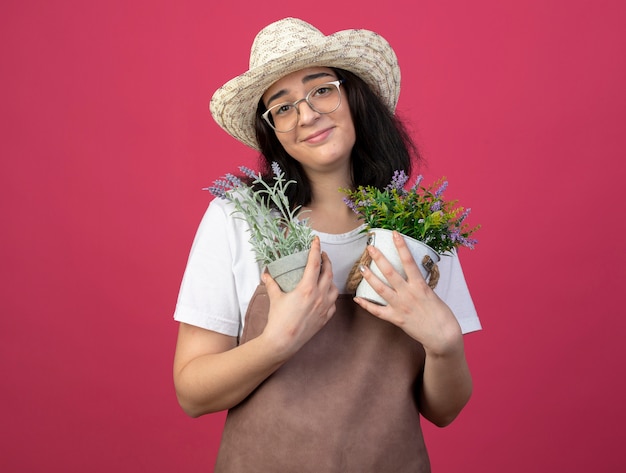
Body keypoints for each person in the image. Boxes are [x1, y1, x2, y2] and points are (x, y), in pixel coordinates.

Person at [173, 17, 481, 472]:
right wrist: (278, 341)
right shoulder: (238, 219)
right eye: (281, 107)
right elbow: (192, 392)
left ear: (355, 95)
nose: (307, 114)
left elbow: (443, 410)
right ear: (272, 130)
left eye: (322, 89)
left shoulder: (417, 229)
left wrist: (445, 344)